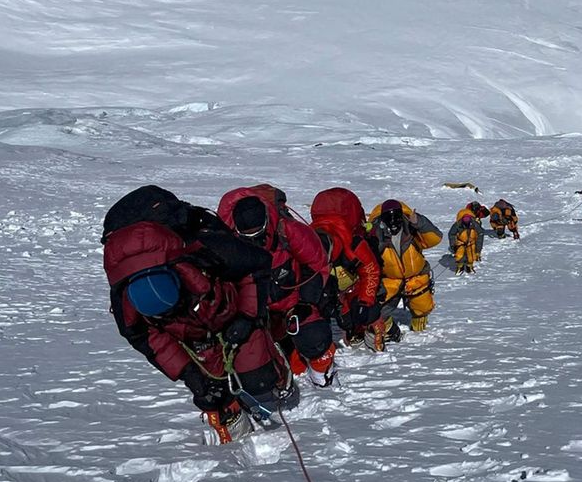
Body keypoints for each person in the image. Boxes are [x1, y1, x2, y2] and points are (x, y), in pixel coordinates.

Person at [102, 186, 287, 444]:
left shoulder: (204, 248)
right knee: (208, 391)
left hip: (229, 310)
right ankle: (229, 424)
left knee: (259, 379)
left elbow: (256, 264)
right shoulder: (127, 303)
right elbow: (149, 340)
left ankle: (272, 372)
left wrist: (247, 317)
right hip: (191, 333)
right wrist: (190, 374)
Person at [218, 185, 336, 387]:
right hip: (253, 312)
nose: (255, 240)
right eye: (248, 236)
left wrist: (306, 302)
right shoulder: (223, 243)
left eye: (259, 233)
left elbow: (316, 264)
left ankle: (321, 371)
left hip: (292, 304)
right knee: (252, 368)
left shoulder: (288, 231)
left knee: (314, 335)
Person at [310, 187, 382, 347]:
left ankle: (380, 331)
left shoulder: (354, 244)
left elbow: (371, 271)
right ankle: (351, 330)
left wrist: (366, 301)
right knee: (345, 321)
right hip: (335, 289)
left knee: (367, 313)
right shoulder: (307, 244)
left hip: (355, 284)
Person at [366, 199, 443, 340]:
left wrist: (419, 222)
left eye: (396, 216)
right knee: (377, 313)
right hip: (389, 280)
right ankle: (390, 331)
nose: (393, 221)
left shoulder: (412, 228)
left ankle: (420, 335)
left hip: (416, 277)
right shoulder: (376, 234)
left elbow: (435, 238)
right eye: (389, 217)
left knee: (422, 308)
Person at [449, 202, 487, 274]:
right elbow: (451, 234)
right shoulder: (457, 225)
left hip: (471, 242)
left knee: (471, 255)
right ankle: (460, 266)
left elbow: (480, 235)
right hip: (461, 242)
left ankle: (469, 266)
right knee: (459, 255)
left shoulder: (475, 225)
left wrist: (478, 250)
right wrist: (453, 245)